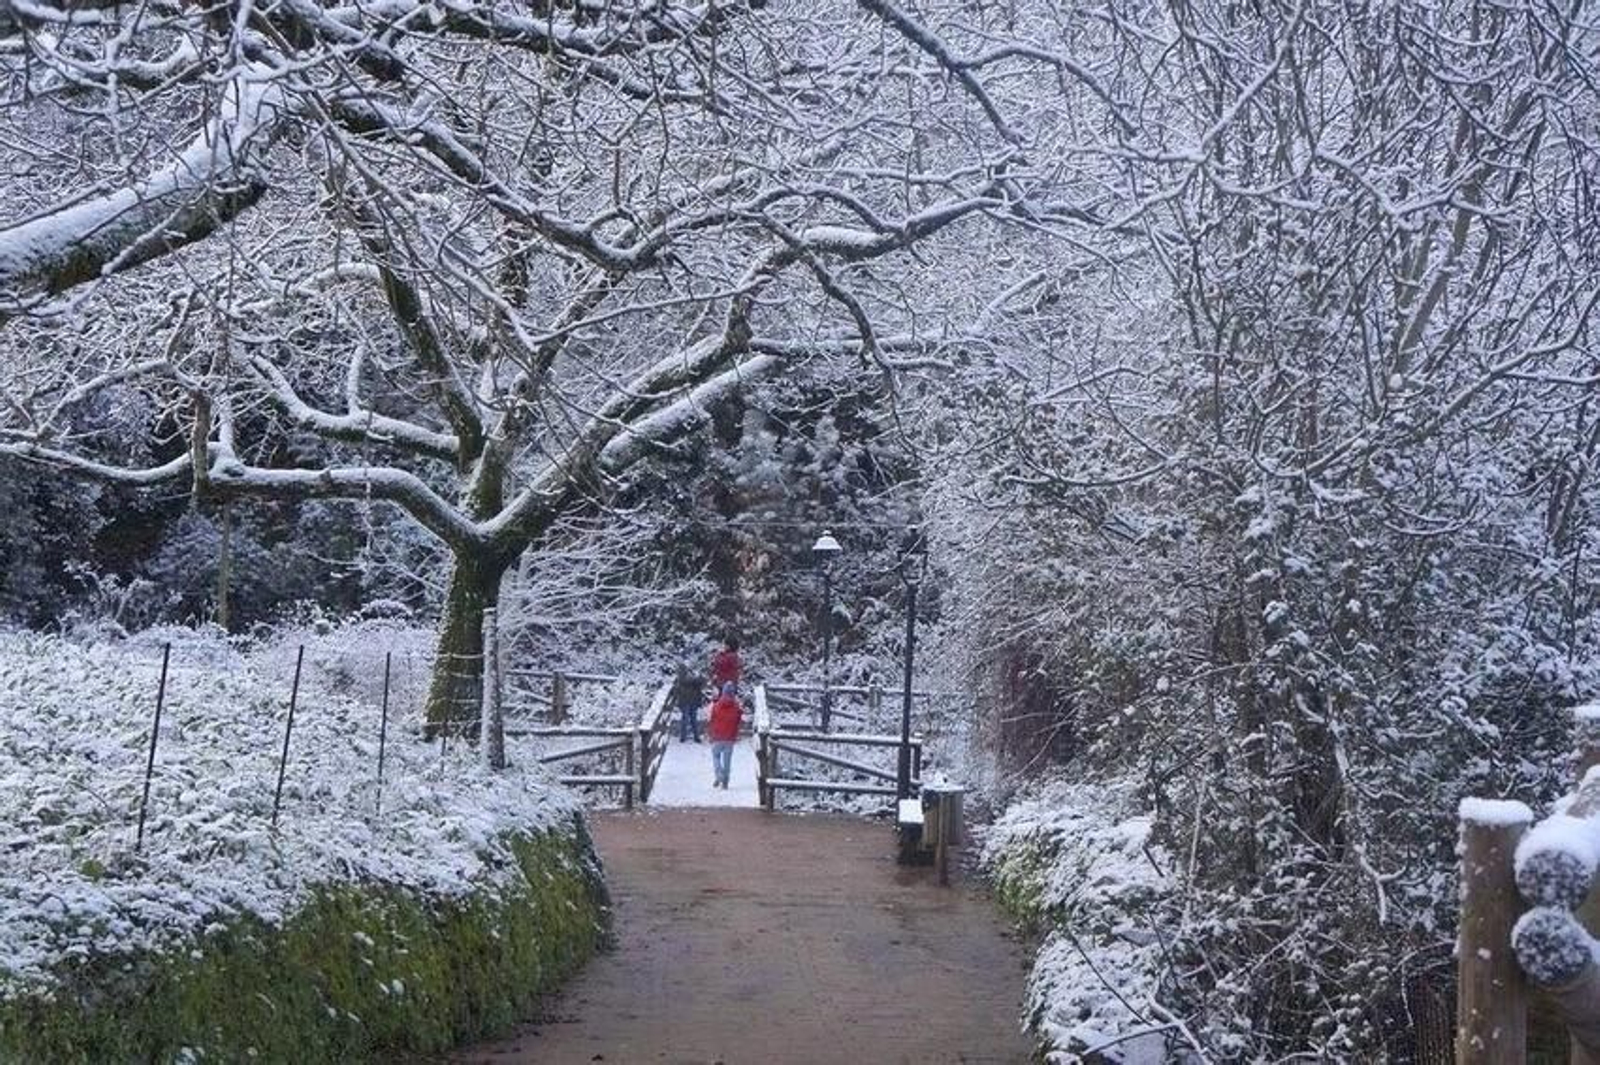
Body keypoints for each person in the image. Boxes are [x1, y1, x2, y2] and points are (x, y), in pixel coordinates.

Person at [707, 682, 743, 789]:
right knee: (727, 760)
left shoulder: (716, 706)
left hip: (717, 736)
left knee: (715, 756)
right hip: (730, 737)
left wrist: (711, 733)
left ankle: (719, 775)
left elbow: (712, 720)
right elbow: (738, 721)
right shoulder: (736, 707)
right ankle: (725, 781)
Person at [671, 661, 703, 743]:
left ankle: (693, 736)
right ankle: (686, 737)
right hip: (687, 700)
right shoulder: (683, 673)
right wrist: (695, 679)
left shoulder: (692, 673)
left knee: (691, 719)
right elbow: (686, 681)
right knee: (688, 719)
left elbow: (700, 682)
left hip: (691, 700)